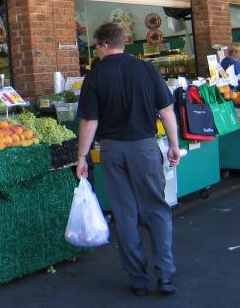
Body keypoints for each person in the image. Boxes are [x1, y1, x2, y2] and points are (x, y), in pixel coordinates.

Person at [76, 23, 181, 297]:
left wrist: (82, 157)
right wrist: (174, 144)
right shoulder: (147, 69)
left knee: (125, 214)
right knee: (157, 210)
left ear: (103, 45)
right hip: (144, 148)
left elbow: (89, 122)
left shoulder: (95, 76)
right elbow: (166, 110)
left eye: (96, 47)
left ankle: (138, 280)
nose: (96, 52)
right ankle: (165, 276)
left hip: (112, 151)